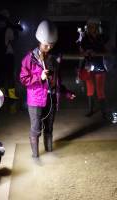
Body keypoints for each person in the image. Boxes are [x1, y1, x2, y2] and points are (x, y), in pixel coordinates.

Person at [20, 20, 75, 158]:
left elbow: (57, 82)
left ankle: (50, 153)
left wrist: (67, 93)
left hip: (52, 99)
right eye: (46, 45)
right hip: (36, 101)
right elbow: (23, 79)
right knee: (36, 129)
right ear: (39, 41)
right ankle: (36, 157)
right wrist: (40, 76)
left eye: (51, 45)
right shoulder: (29, 59)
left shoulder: (55, 59)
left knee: (49, 129)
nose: (49, 47)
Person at [78, 18, 109, 119]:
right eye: (90, 26)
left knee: (100, 90)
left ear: (97, 27)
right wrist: (86, 52)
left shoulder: (102, 38)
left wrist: (98, 53)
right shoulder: (85, 38)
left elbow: (107, 51)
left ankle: (104, 111)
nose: (92, 28)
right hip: (89, 67)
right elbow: (81, 51)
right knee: (90, 90)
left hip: (100, 66)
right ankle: (90, 110)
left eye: (94, 26)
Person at [0, 9, 23, 100]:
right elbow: (13, 39)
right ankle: (11, 95)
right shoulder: (8, 28)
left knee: (1, 76)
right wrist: (16, 28)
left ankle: (2, 94)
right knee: (10, 76)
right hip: (8, 55)